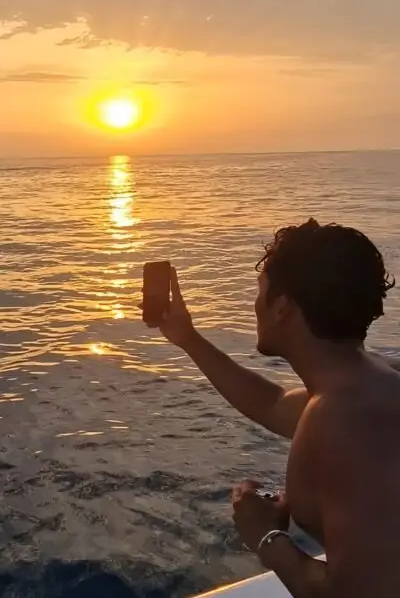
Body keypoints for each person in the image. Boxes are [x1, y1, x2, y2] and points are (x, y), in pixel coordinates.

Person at [152, 219, 400, 597]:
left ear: (282, 307)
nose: (255, 305)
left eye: (260, 291)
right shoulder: (369, 381)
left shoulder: (343, 421)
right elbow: (272, 404)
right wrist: (188, 338)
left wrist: (265, 536)